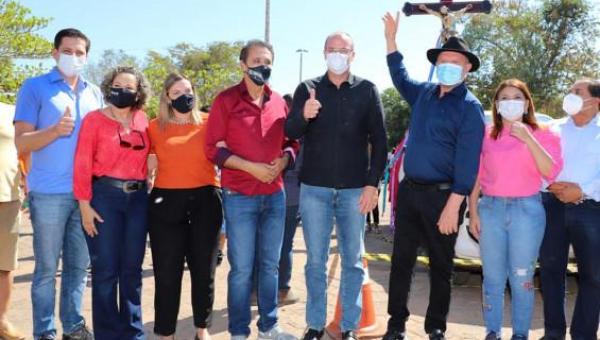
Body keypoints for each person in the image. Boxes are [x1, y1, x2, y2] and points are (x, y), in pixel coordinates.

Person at [382, 13, 485, 340]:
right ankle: (396, 325)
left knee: (441, 266)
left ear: (467, 68)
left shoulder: (470, 108)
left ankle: (435, 327)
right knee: (401, 263)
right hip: (411, 193)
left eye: (455, 61)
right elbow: (399, 76)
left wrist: (454, 205)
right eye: (443, 60)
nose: (448, 66)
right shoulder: (424, 93)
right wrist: (391, 41)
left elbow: (468, 162)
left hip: (444, 198)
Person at [285, 31, 387, 340]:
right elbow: (290, 129)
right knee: (315, 262)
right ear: (323, 53)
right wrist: (304, 115)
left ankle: (349, 327)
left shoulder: (368, 91)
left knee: (353, 262)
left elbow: (380, 142)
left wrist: (373, 185)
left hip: (355, 191)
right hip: (314, 190)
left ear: (353, 54)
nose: (337, 54)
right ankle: (315, 324)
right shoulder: (308, 88)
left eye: (343, 50)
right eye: (332, 49)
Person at [205, 39, 299, 340]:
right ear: (243, 65)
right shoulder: (225, 101)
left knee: (270, 266)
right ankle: (238, 332)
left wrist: (283, 160)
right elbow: (212, 150)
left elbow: (291, 143)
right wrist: (250, 167)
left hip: (275, 195)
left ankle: (269, 327)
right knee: (242, 269)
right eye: (257, 60)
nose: (263, 66)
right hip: (239, 196)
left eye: (268, 60)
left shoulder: (278, 102)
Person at [14, 28, 101, 340]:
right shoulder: (35, 88)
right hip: (48, 193)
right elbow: (21, 143)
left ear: (87, 56)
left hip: (86, 196)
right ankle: (45, 332)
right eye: (68, 51)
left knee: (78, 269)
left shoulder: (94, 93)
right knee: (46, 271)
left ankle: (74, 326)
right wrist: (53, 131)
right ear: (55, 53)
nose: (74, 57)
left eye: (80, 52)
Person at [468, 79, 563, 340]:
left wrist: (528, 138)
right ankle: (492, 332)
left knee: (522, 278)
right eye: (505, 98)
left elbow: (550, 171)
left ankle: (520, 334)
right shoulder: (487, 134)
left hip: (527, 211)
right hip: (491, 209)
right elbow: (476, 175)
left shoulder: (544, 132)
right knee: (493, 278)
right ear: (497, 105)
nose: (511, 103)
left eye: (517, 97)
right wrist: (473, 211)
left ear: (527, 102)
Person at [73, 66, 150, 339]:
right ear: (109, 87)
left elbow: (152, 157)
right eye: (118, 85)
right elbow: (81, 162)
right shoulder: (94, 120)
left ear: (138, 92)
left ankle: (132, 331)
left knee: (132, 269)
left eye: (130, 87)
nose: (124, 91)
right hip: (104, 197)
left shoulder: (143, 120)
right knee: (105, 270)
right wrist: (84, 205)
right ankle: (107, 333)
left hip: (139, 200)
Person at [147, 73, 222, 340]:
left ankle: (202, 328)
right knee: (167, 271)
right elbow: (141, 160)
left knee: (204, 269)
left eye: (188, 90)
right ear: (167, 97)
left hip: (206, 200)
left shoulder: (210, 122)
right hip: (165, 204)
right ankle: (166, 332)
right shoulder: (153, 127)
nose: (184, 96)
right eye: (177, 92)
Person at [539, 78, 600, 340]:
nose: (570, 94)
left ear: (596, 101)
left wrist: (582, 190)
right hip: (551, 206)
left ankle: (584, 335)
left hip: (591, 209)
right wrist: (550, 183)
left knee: (594, 275)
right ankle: (553, 332)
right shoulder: (552, 128)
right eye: (570, 90)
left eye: (577, 91)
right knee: (551, 271)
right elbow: (537, 161)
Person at [0, 103, 25, 340]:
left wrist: (28, 180)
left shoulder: (13, 111)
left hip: (7, 197)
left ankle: (2, 322)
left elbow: (25, 150)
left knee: (5, 264)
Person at [278, 93, 302, 306]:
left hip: (271, 192)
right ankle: (283, 289)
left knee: (268, 243)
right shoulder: (298, 135)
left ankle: (256, 289)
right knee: (285, 244)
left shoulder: (275, 129)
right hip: (291, 196)